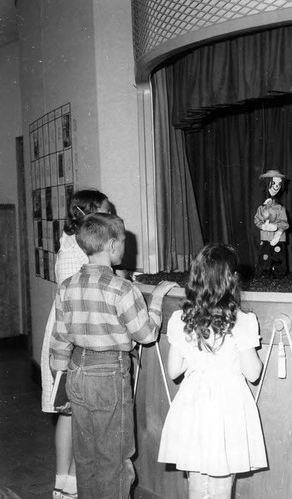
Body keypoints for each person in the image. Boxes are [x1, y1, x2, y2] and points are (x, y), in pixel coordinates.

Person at [49, 213, 177, 499]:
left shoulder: (67, 286)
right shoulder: (122, 288)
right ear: (110, 245)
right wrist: (155, 301)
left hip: (76, 371)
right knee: (115, 458)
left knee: (86, 457)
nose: (124, 248)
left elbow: (58, 342)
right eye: (121, 242)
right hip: (109, 373)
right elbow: (146, 335)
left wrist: (61, 385)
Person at [158, 243, 267, 499]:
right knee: (221, 484)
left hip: (193, 402)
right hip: (227, 404)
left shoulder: (180, 319)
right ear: (232, 280)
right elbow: (253, 372)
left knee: (197, 481)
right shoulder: (242, 321)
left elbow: (175, 370)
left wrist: (199, 356)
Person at [40, 189, 111, 499]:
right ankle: (65, 483)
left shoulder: (75, 244)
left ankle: (67, 483)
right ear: (90, 214)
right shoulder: (75, 252)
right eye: (106, 212)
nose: (110, 217)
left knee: (70, 413)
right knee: (70, 411)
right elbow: (78, 300)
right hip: (70, 337)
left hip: (72, 333)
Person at [254, 169, 289, 278]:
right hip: (265, 237)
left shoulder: (280, 208)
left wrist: (277, 231)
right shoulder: (261, 208)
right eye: (273, 184)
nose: (276, 187)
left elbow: (284, 223)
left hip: (278, 238)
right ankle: (263, 275)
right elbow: (257, 220)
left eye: (278, 184)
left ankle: (279, 276)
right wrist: (263, 225)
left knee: (278, 257)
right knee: (264, 256)